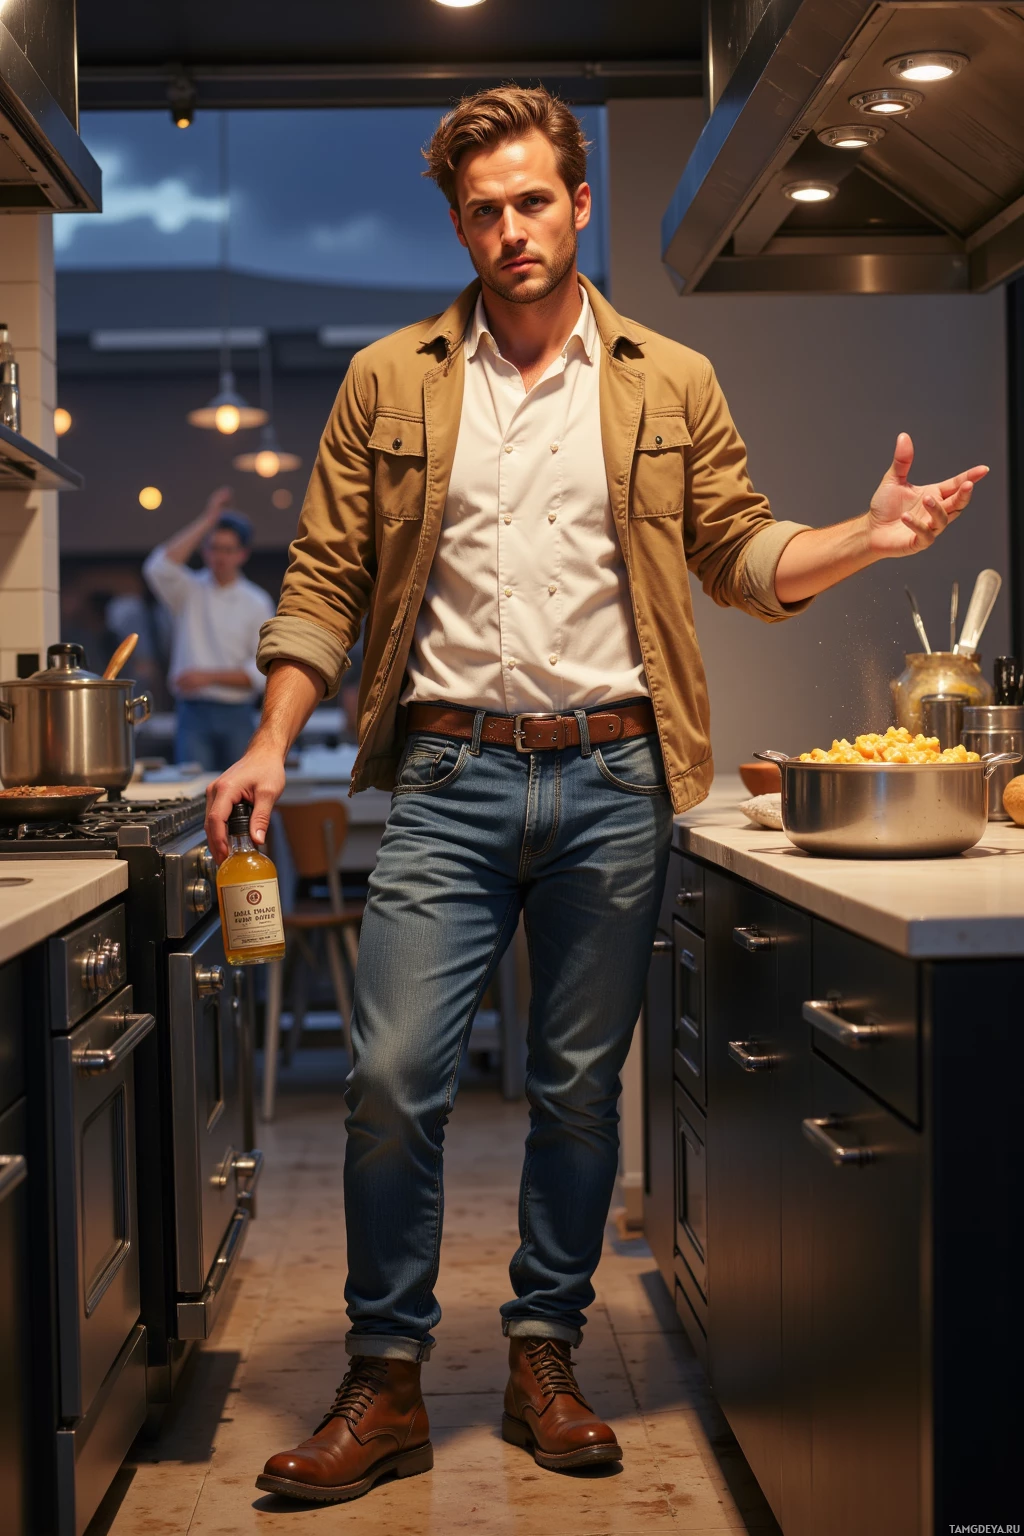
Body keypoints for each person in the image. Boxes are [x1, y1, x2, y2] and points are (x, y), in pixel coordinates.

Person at [205, 87, 986, 1505]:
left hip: (618, 773)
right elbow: (321, 581)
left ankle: (543, 1353)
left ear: (577, 205)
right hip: (442, 776)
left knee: (575, 1094)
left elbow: (743, 553)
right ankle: (384, 1382)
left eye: (534, 200)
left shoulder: (666, 379)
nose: (512, 228)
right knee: (390, 1084)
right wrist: (270, 742)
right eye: (484, 208)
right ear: (459, 222)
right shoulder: (390, 379)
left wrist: (866, 540)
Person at [144, 488, 275, 772]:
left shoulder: (256, 601)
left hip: (237, 712)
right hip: (193, 711)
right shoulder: (190, 590)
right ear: (204, 551)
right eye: (214, 548)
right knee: (192, 794)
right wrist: (207, 519)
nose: (220, 557)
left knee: (242, 791)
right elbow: (158, 568)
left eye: (228, 550)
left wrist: (208, 676)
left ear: (242, 554)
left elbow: (262, 671)